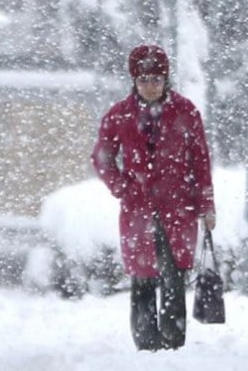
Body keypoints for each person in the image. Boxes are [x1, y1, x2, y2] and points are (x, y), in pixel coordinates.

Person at [92, 44, 216, 351]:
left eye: (156, 80)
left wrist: (206, 204)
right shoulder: (119, 115)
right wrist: (123, 188)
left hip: (179, 207)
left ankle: (173, 341)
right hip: (138, 210)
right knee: (143, 277)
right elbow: (103, 158)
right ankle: (146, 343)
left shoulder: (186, 112)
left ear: (166, 80)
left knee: (174, 276)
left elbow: (200, 161)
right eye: (144, 80)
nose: (150, 86)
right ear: (134, 81)